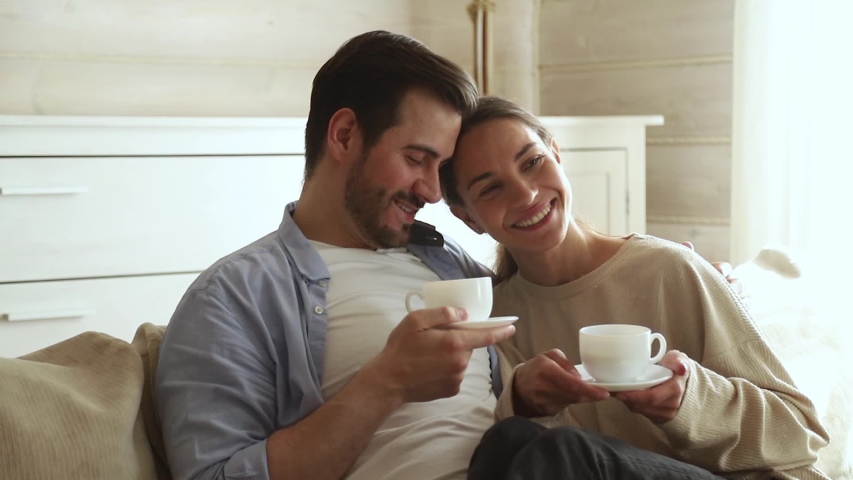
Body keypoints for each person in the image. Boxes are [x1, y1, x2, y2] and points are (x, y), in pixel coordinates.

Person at [156, 31, 742, 480]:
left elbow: (554, 285)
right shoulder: (233, 297)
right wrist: (384, 383)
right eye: (417, 159)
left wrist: (664, 268)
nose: (433, 192)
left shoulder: (453, 267)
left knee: (532, 449)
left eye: (441, 168)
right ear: (344, 136)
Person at [439, 96, 831, 480]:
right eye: (491, 188)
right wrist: (522, 401)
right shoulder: (497, 321)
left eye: (532, 162)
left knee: (562, 449)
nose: (525, 194)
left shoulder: (671, 270)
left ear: (556, 155)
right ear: (467, 218)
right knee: (506, 439)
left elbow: (800, 433)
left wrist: (689, 401)